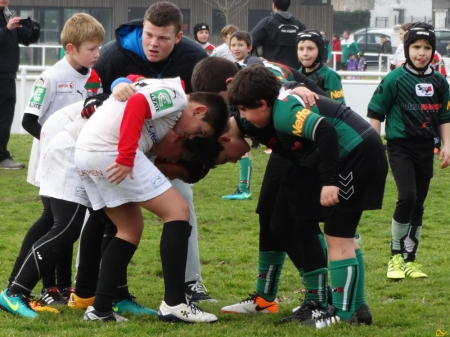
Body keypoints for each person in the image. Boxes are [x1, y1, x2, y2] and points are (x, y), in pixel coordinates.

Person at [228, 64, 388, 328]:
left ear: (262, 103)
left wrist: (329, 182)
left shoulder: (284, 114)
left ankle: (342, 313)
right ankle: (357, 307)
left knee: (338, 239)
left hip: (355, 156)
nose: (242, 117)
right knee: (344, 237)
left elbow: (325, 130)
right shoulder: (277, 105)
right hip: (363, 152)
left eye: (245, 110)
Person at [73, 77, 228, 323]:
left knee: (128, 229)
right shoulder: (177, 97)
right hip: (111, 151)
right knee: (178, 210)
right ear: (199, 110)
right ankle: (175, 303)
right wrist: (125, 156)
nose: (191, 136)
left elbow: (133, 88)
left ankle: (100, 309)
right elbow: (136, 103)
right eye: (199, 130)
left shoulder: (165, 96)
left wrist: (118, 84)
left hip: (85, 152)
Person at [90, 1, 215, 302]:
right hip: (117, 149)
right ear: (142, 29)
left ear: (179, 35)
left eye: (162, 38)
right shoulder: (113, 54)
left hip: (165, 151)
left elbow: (218, 98)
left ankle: (190, 282)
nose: (153, 44)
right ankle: (89, 285)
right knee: (97, 212)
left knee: (182, 201)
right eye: (149, 35)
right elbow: (90, 96)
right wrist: (105, 94)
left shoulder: (195, 58)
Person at [10, 13, 104, 308]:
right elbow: (28, 120)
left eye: (99, 48)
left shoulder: (93, 77)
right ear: (70, 48)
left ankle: (61, 286)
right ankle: (35, 285)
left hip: (76, 161)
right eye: (91, 49)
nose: (97, 54)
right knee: (55, 221)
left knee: (63, 221)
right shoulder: (51, 76)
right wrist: (56, 143)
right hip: (52, 161)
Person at [367, 22, 450, 281]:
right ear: (407, 48)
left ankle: (410, 260)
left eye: (426, 48)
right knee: (408, 197)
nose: (421, 53)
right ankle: (394, 256)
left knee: (419, 204)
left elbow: (445, 116)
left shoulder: (439, 81)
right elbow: (375, 113)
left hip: (426, 148)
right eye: (416, 47)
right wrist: (374, 147)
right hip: (399, 147)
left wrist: (447, 144)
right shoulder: (394, 78)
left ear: (433, 51)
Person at [0, 1, 40, 169]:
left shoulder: (6, 14)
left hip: (7, 74)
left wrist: (34, 29)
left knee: (5, 115)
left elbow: (26, 39)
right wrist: (7, 29)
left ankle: (2, 155)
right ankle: (1, 158)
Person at [251, 0, 306, 68]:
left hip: (273, 70)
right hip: (295, 71)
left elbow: (250, 41)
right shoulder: (300, 25)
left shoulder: (267, 23)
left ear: (274, 5)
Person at [297, 30, 345, 104]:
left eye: (310, 48)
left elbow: (340, 108)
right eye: (301, 49)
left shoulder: (330, 76)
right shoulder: (296, 74)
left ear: (320, 50)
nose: (305, 53)